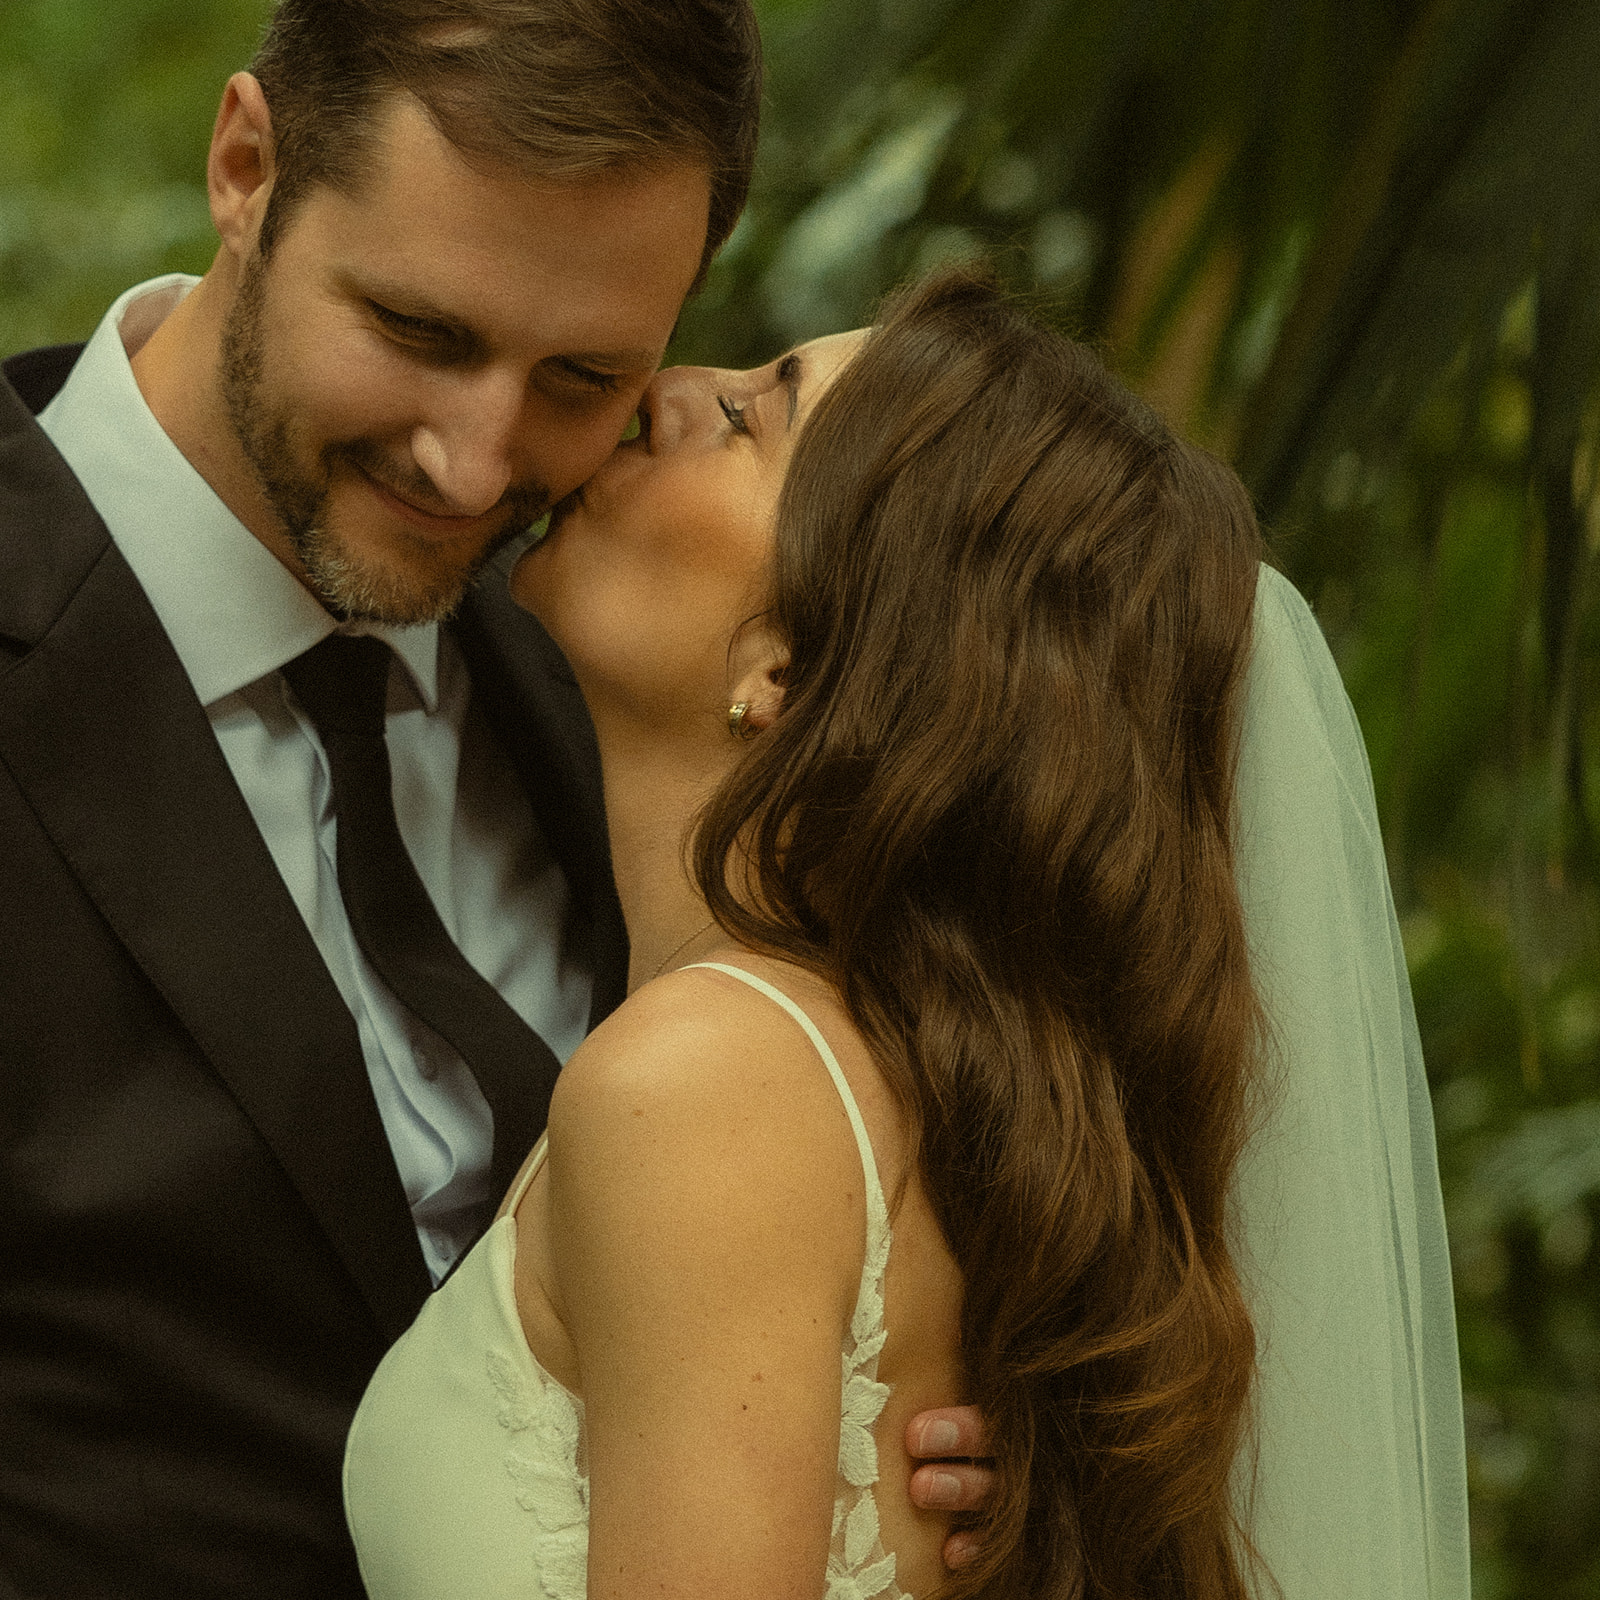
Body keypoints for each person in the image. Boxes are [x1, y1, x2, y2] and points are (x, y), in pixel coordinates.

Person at [0, 5, 985, 1596]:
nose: (474, 465)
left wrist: (917, 1449)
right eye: (419, 330)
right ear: (247, 166)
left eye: (583, 375)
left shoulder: (640, 688)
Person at [342, 268, 1473, 1599]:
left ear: (790, 656)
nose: (667, 391)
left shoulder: (702, 1086)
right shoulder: (917, 1102)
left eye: (759, 413)